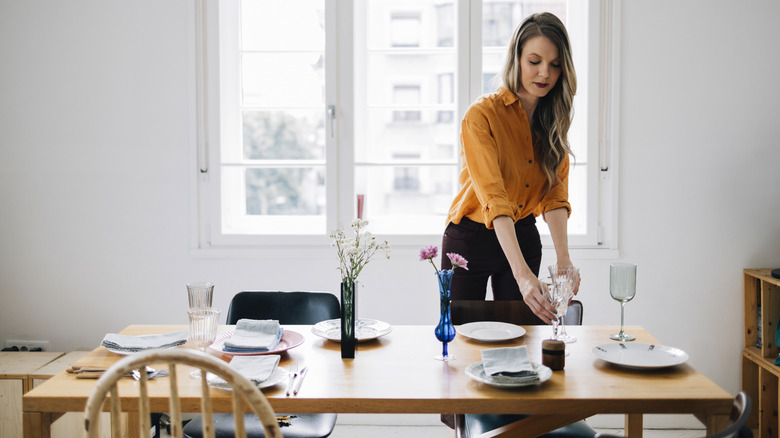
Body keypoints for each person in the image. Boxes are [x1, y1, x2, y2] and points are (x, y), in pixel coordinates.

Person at [441, 12, 579, 325]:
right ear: (516, 58)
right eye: (534, 61)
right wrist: (523, 275)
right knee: (463, 342)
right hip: (469, 239)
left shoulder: (553, 122)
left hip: (523, 233)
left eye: (555, 64)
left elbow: (556, 196)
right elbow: (494, 198)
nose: (544, 72)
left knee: (521, 340)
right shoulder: (481, 116)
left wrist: (564, 261)